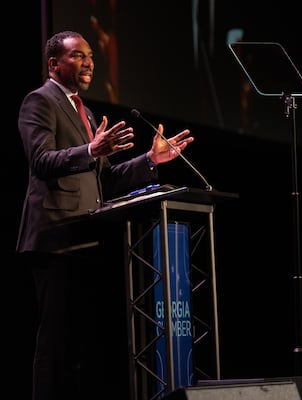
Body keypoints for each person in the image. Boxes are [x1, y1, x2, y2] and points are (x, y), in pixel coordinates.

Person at [16, 30, 195, 400]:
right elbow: (41, 161)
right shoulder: (40, 101)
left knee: (80, 344)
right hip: (55, 237)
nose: (89, 63)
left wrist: (150, 160)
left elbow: (106, 179)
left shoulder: (85, 110)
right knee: (55, 343)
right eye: (78, 56)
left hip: (87, 236)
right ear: (54, 64)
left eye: (91, 56)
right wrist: (90, 148)